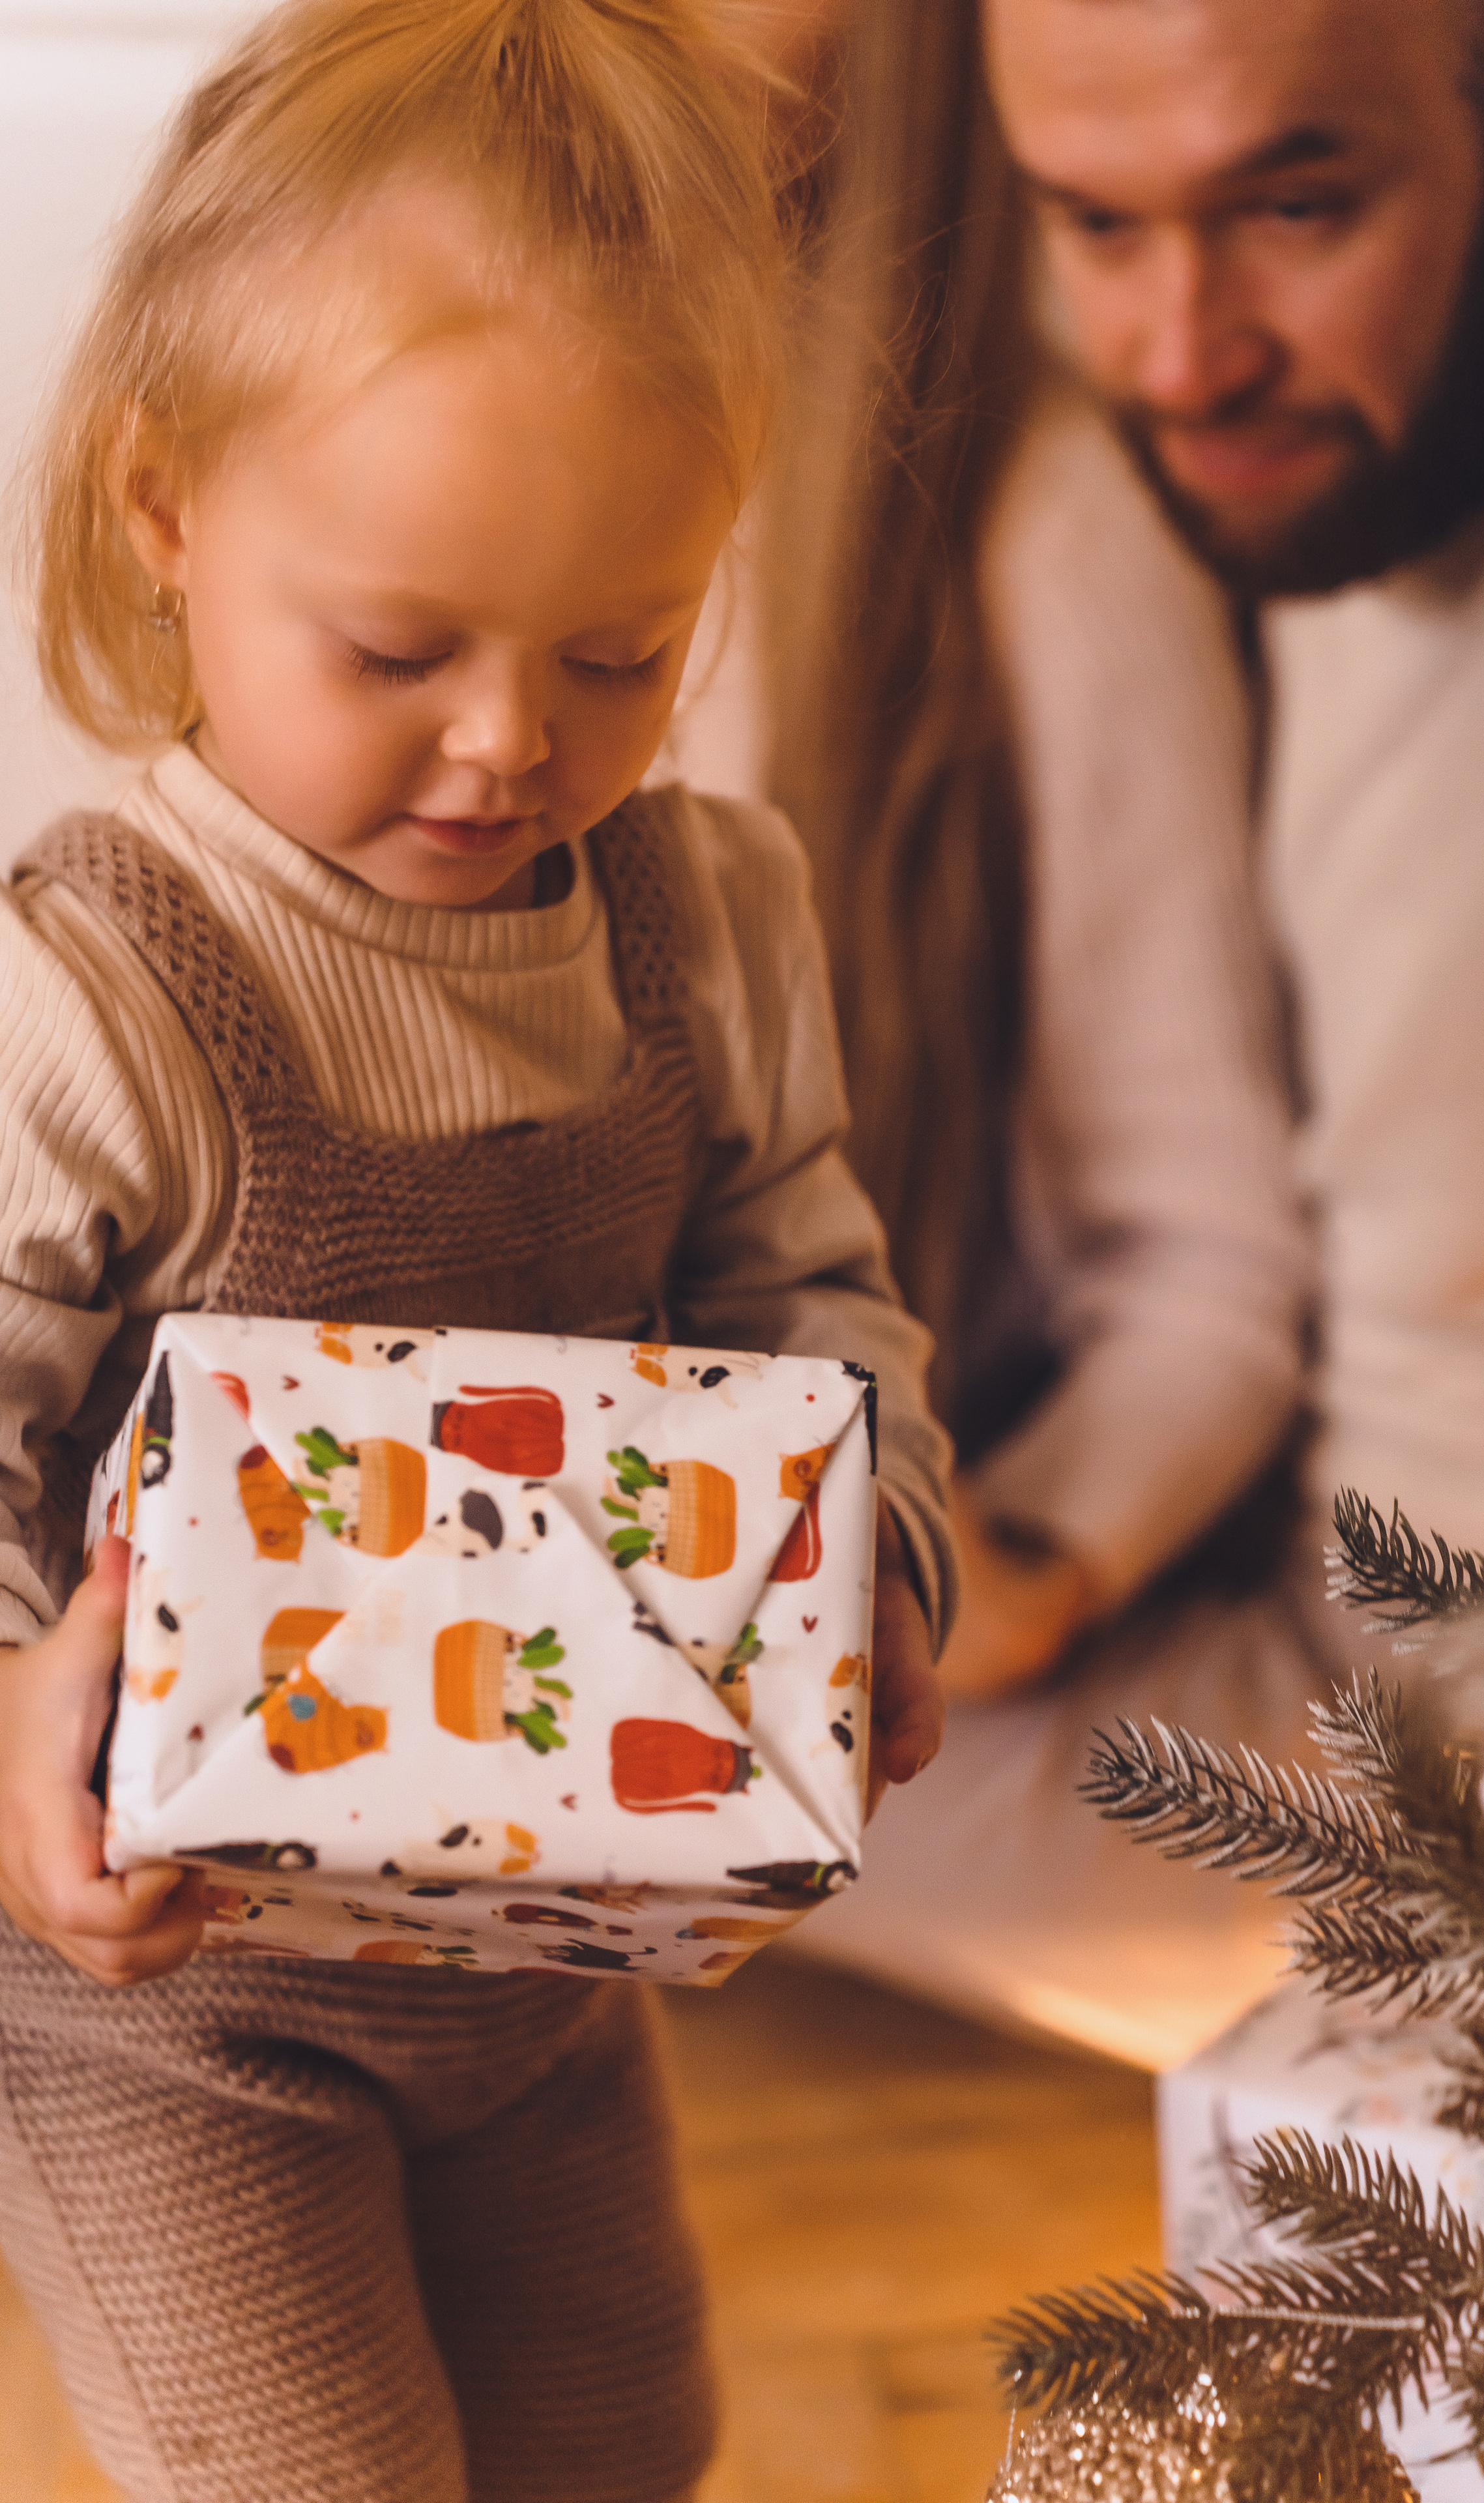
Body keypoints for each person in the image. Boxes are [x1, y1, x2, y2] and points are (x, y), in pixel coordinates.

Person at [0, 5, 953, 2497]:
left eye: (624, 648)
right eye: (401, 649)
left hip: (543, 1969)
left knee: (628, 2440)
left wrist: (884, 1558)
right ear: (165, 508)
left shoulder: (705, 916)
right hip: (162, 2006)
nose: (513, 743)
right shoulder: (88, 997)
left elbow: (808, 1291)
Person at [661, 0, 1317, 2062]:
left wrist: (1009, 1554)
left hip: (855, 1596)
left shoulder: (1033, 537)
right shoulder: (302, 396)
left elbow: (1213, 1271)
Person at [982, 0, 1484, 1579]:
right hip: (1314, 1630)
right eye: (1094, 220)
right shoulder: (1355, 428)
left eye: (1294, 209)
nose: (1178, 359)